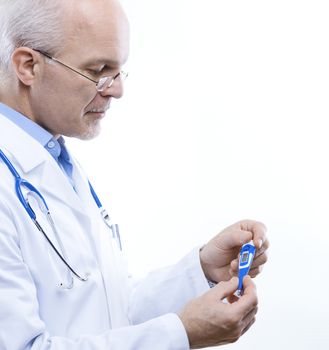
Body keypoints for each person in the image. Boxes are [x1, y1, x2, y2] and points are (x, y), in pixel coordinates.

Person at [0, 0, 269, 349]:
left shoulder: (54, 160)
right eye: (98, 70)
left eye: (118, 70)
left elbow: (107, 305)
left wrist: (201, 270)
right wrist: (180, 334)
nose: (116, 89)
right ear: (28, 66)